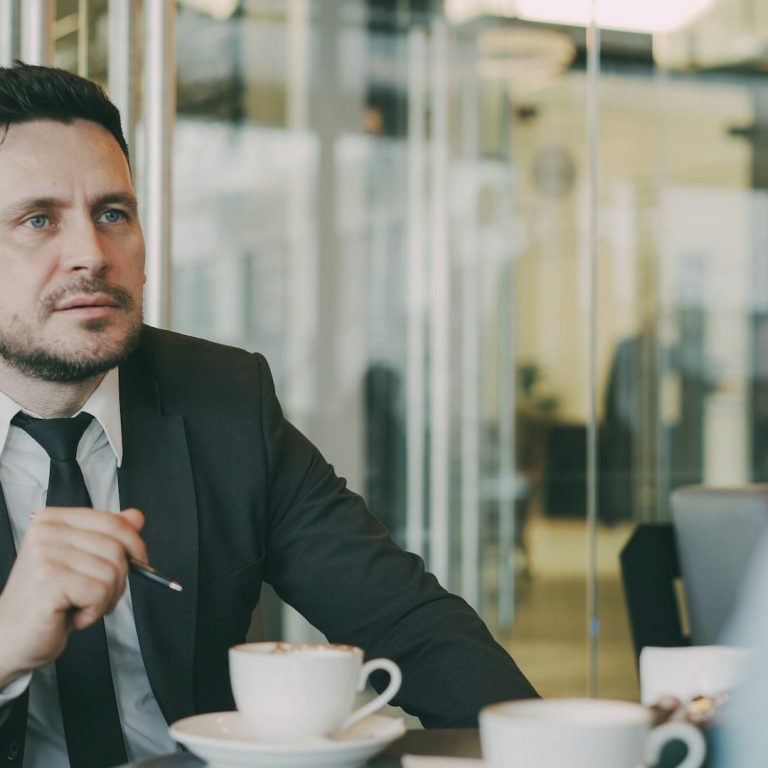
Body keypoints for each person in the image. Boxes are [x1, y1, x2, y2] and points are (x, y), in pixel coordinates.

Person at [0, 62, 537, 768]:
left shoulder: (224, 399)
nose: (91, 255)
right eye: (39, 220)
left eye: (112, 214)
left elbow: (409, 623)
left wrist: (544, 748)